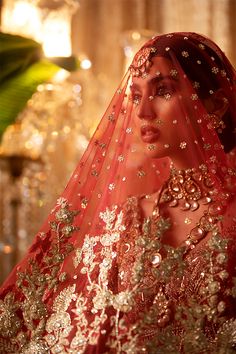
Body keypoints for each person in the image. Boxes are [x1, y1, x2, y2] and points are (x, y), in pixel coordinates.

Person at [0, 32, 235, 354]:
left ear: (217, 104)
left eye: (163, 91)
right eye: (135, 96)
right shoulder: (128, 219)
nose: (143, 113)